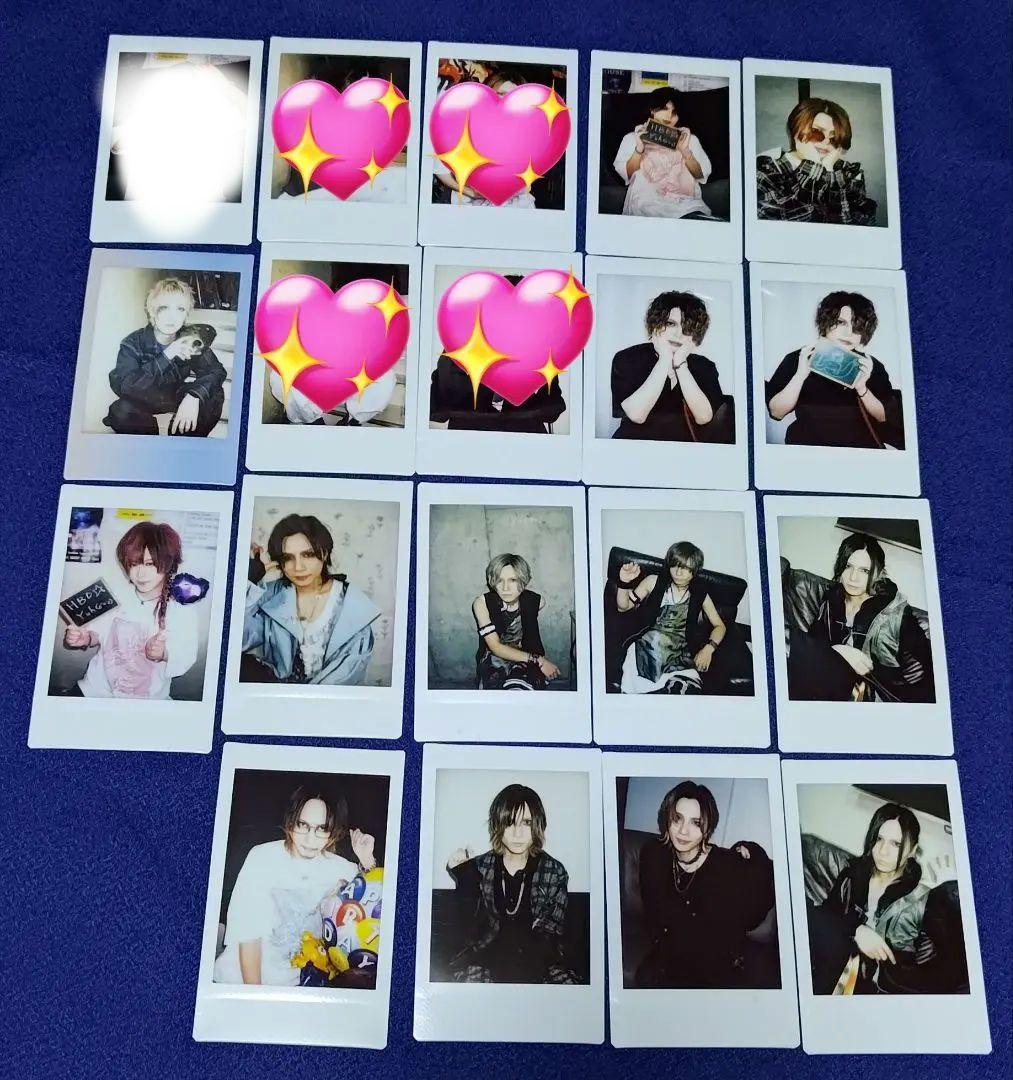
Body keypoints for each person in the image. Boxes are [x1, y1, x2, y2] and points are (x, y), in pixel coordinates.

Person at [214, 787, 378, 986]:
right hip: (242, 978)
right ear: (290, 821)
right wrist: (255, 995)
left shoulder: (342, 868)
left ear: (333, 831)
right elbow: (248, 935)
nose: (310, 839)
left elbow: (372, 908)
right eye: (303, 825)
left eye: (322, 828)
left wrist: (367, 860)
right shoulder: (262, 857)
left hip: (303, 985)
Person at [635, 781, 777, 988]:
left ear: (708, 827)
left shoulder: (725, 865)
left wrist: (753, 852)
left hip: (711, 967)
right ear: (667, 818)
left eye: (696, 823)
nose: (683, 831)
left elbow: (754, 913)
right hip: (669, 958)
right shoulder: (653, 855)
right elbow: (654, 917)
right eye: (677, 819)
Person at [444, 783, 579, 983]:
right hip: (485, 959)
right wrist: (465, 879)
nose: (517, 834)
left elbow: (551, 934)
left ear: (538, 825)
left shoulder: (554, 871)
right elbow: (467, 928)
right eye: (509, 823)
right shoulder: (480, 867)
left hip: (540, 962)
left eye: (526, 823)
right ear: (498, 826)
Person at [807, 803, 941, 994]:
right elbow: (824, 916)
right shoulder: (852, 875)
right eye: (879, 839)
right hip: (829, 969)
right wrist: (855, 929)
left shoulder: (921, 901)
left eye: (896, 844)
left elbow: (927, 972)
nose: (883, 851)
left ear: (913, 850)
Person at [787, 532, 935, 703]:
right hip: (828, 685)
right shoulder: (832, 601)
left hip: (869, 696)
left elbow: (924, 673)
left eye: (864, 570)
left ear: (878, 574)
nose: (853, 577)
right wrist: (840, 650)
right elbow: (813, 645)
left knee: (788, 642)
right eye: (848, 566)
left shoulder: (895, 614)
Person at [61, 520, 200, 698]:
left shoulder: (181, 610)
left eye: (150, 564)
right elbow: (98, 634)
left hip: (147, 701)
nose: (140, 574)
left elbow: (187, 655)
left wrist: (163, 654)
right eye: (134, 564)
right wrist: (85, 638)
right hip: (93, 691)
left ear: (168, 563)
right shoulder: (114, 594)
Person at [242, 513, 380, 685]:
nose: (298, 567)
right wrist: (251, 578)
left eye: (308, 555)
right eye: (288, 558)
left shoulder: (351, 607)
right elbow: (238, 640)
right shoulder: (272, 596)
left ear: (324, 553)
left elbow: (347, 674)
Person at [765, 291, 902, 448]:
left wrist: (862, 389)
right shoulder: (799, 358)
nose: (849, 333)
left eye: (857, 325)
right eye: (841, 322)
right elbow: (776, 413)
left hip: (860, 452)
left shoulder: (870, 365)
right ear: (825, 322)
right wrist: (800, 375)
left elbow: (883, 417)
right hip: (807, 450)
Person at [103, 277, 227, 437]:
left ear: (186, 315)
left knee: (214, 394)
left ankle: (183, 437)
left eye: (180, 309)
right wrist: (167, 355)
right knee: (119, 411)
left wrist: (193, 397)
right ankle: (152, 436)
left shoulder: (189, 338)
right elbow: (127, 386)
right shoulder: (133, 343)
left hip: (173, 395)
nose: (172, 317)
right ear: (152, 312)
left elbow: (216, 371)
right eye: (164, 308)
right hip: (143, 398)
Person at [609, 290, 726, 442]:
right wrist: (664, 359)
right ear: (655, 325)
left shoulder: (704, 366)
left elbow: (703, 417)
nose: (679, 333)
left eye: (687, 327)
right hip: (633, 447)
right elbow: (637, 415)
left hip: (682, 451)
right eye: (671, 324)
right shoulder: (628, 358)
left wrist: (680, 364)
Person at [612, 541, 727, 695]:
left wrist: (709, 648)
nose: (678, 572)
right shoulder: (653, 581)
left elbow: (720, 626)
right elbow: (623, 607)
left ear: (694, 570)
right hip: (647, 650)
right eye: (675, 565)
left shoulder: (700, 594)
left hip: (679, 655)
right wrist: (623, 584)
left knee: (687, 691)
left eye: (685, 567)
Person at [756, 97, 877, 225]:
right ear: (796, 130)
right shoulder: (766, 169)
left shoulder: (849, 173)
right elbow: (784, 223)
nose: (826, 142)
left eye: (834, 138)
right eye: (816, 132)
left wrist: (827, 169)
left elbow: (861, 223)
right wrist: (816, 167)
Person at [433, 61, 537, 208]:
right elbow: (439, 168)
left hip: (515, 206)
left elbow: (527, 182)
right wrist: (470, 192)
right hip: (469, 206)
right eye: (500, 94)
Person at [612, 86, 714, 219]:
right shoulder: (632, 138)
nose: (669, 116)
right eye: (665, 109)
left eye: (674, 112)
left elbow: (700, 175)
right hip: (646, 203)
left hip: (685, 204)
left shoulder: (690, 139)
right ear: (652, 110)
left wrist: (685, 151)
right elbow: (627, 174)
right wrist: (639, 149)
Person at [472, 553, 561, 690]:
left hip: (526, 659)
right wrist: (539, 661)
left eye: (513, 580)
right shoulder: (482, 603)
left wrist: (536, 660)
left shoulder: (536, 601)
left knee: (521, 686)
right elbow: (495, 647)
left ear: (523, 580)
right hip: (495, 660)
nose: (505, 588)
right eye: (499, 580)